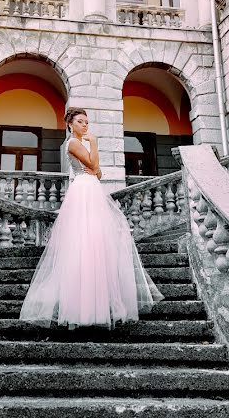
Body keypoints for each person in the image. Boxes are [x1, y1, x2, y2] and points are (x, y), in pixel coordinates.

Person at [19, 107, 164, 328]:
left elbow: (98, 173)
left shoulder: (80, 143)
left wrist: (94, 166)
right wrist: (94, 144)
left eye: (87, 122)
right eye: (80, 121)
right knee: (85, 242)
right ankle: (83, 310)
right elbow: (95, 167)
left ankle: (94, 308)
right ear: (70, 124)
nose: (85, 125)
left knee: (95, 243)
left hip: (90, 188)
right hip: (84, 191)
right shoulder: (75, 143)